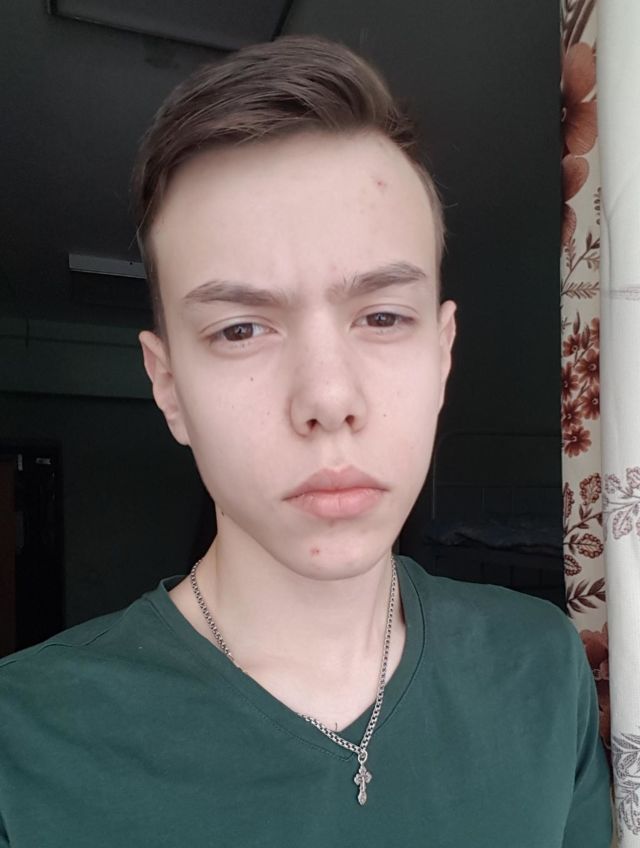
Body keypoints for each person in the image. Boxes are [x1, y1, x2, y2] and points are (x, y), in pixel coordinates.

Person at [0, 35, 612, 847]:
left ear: (442, 356)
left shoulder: (544, 667)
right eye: (241, 329)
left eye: (382, 316)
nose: (328, 398)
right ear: (169, 387)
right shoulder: (23, 746)